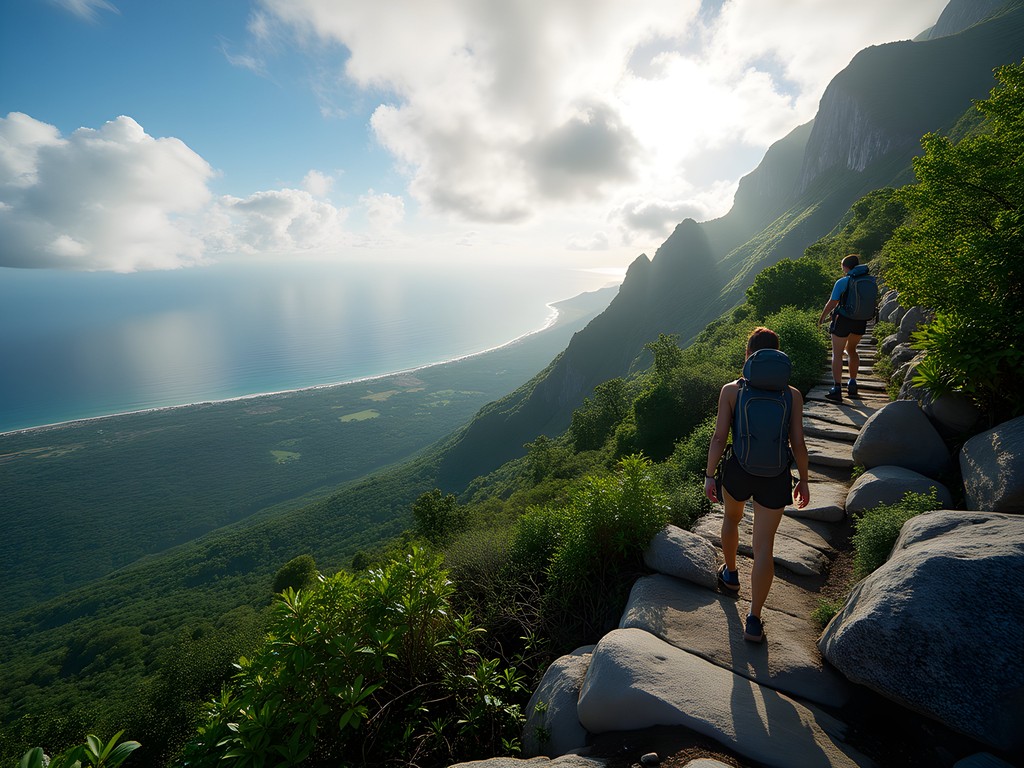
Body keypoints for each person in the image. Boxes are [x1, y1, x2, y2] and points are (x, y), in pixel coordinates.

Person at [703, 326, 810, 643]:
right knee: (764, 547)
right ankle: (754, 619)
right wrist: (803, 479)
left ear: (748, 356)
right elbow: (799, 444)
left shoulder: (732, 391)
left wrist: (710, 475)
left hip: (738, 470)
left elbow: (720, 437)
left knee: (731, 519)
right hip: (776, 477)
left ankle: (732, 575)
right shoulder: (792, 395)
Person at [817, 254, 869, 402]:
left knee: (837, 353)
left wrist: (822, 318)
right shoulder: (867, 281)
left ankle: (837, 388)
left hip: (843, 321)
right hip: (860, 321)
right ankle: (852, 383)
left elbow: (832, 302)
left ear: (846, 267)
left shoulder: (843, 281)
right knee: (852, 351)